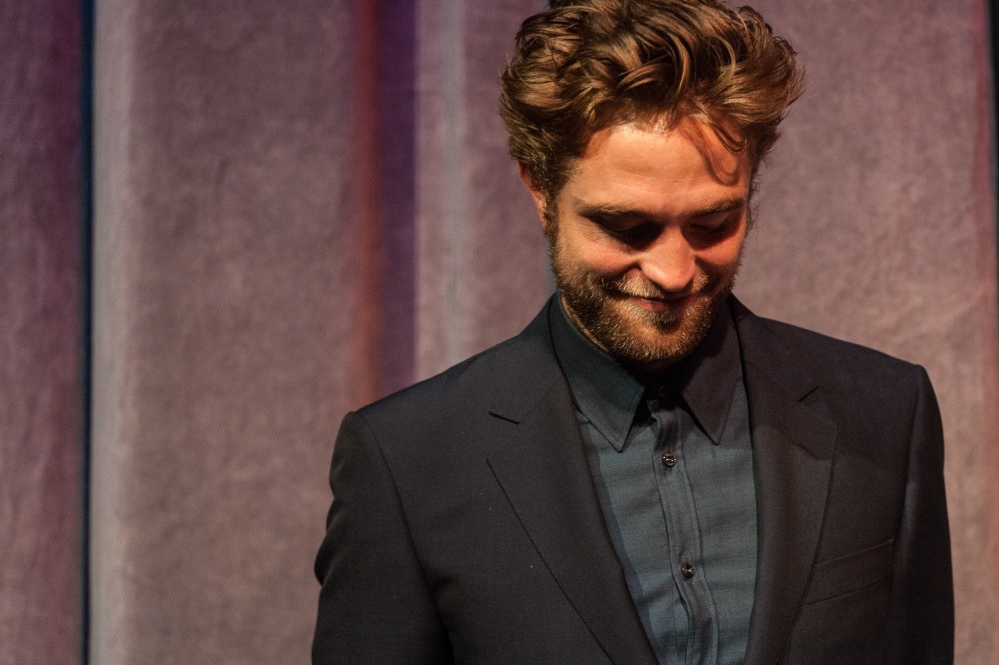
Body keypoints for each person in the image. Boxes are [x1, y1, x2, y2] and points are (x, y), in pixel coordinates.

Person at [312, 1, 954, 663]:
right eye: (628, 228)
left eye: (712, 224)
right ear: (540, 192)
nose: (674, 272)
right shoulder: (406, 462)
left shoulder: (886, 414)